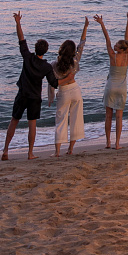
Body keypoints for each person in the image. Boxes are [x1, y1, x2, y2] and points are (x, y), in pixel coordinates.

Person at [2, 11, 59, 161]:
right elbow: (54, 83)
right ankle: (30, 153)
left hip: (22, 94)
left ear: (35, 48)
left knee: (14, 121)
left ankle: (6, 150)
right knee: (32, 125)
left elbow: (21, 39)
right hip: (34, 98)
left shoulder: (27, 57)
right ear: (45, 51)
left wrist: (18, 23)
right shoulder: (47, 67)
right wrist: (68, 78)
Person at [49, 16, 89, 157]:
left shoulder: (54, 64)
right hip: (75, 90)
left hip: (64, 92)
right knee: (76, 120)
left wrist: (51, 96)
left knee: (60, 121)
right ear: (72, 52)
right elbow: (81, 44)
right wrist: (85, 27)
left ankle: (57, 152)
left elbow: (52, 82)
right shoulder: (75, 60)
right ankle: (71, 149)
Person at [94, 10, 128, 149]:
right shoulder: (127, 56)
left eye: (116, 45)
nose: (114, 45)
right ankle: (117, 143)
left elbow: (107, 38)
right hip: (121, 88)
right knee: (119, 117)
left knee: (108, 116)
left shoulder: (112, 55)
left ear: (120, 48)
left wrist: (102, 24)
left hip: (110, 87)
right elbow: (126, 38)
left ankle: (108, 142)